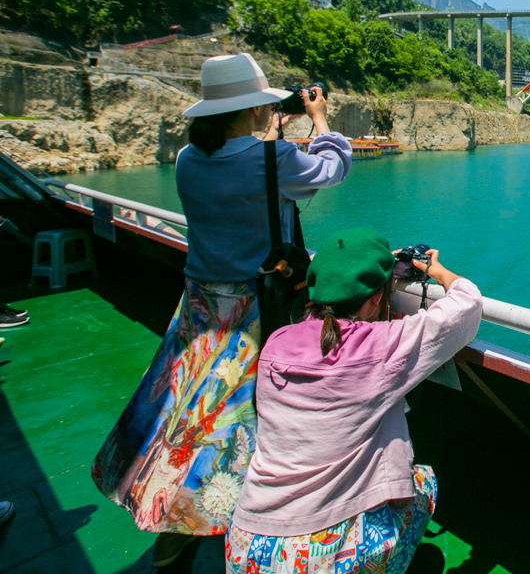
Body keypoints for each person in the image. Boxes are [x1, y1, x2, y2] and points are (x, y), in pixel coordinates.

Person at [91, 53, 352, 569]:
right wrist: (321, 122)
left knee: (179, 406)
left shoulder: (188, 158)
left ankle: (158, 506)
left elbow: (239, 169)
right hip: (250, 310)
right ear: (251, 109)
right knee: (228, 422)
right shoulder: (266, 160)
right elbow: (332, 169)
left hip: (198, 302)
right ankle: (194, 521)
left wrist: (270, 131)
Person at [225, 228, 482, 574]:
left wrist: (386, 266)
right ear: (377, 298)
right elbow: (467, 304)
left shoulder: (277, 342)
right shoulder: (380, 347)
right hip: (314, 560)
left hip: (246, 547)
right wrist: (434, 271)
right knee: (423, 485)